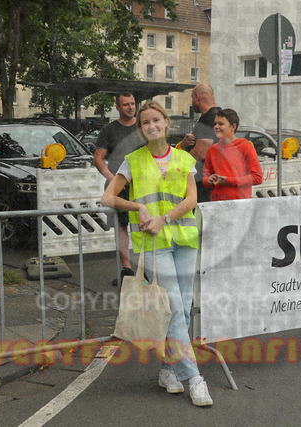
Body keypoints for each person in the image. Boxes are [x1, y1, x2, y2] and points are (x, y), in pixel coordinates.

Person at [101, 102, 213, 407]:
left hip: (184, 238)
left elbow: (191, 199)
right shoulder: (133, 160)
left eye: (156, 120)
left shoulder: (184, 158)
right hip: (153, 245)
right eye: (145, 122)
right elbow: (108, 197)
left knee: (182, 309)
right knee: (174, 307)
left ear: (166, 122)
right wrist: (138, 206)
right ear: (141, 129)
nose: (151, 126)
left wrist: (165, 218)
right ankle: (194, 378)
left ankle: (168, 369)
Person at [94, 92, 145, 286]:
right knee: (121, 227)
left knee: (145, 226)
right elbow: (98, 159)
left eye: (132, 103)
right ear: (117, 107)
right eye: (126, 104)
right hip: (119, 188)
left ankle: (145, 269)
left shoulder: (143, 127)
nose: (131, 107)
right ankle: (127, 269)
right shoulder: (109, 130)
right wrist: (113, 179)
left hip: (142, 186)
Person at [203, 108, 263, 201]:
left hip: (240, 204)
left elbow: (257, 177)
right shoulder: (212, 150)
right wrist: (208, 180)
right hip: (217, 203)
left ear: (233, 127)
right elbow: (205, 177)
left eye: (221, 124)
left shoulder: (246, 147)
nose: (216, 126)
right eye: (215, 124)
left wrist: (228, 181)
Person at [178, 83, 220, 203]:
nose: (192, 102)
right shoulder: (220, 115)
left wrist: (179, 154)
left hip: (203, 186)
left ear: (197, 97)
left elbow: (200, 154)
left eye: (192, 97)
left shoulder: (208, 118)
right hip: (213, 182)